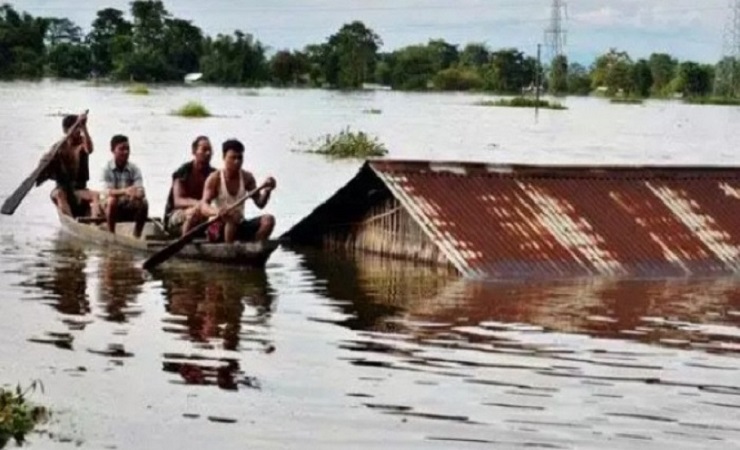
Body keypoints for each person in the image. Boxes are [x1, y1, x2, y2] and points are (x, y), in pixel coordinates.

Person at [199, 139, 276, 243]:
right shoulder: (214, 178)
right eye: (233, 158)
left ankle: (253, 248)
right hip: (216, 228)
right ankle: (229, 248)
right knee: (232, 218)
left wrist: (267, 190)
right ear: (224, 157)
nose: (237, 161)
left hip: (238, 223)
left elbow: (260, 204)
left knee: (268, 220)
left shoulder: (247, 177)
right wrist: (218, 212)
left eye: (240, 158)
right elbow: (203, 207)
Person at [48, 114, 102, 218]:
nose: (78, 131)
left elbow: (89, 149)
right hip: (62, 189)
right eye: (75, 128)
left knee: (95, 195)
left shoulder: (82, 142)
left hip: (79, 189)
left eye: (79, 128)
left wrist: (84, 127)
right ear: (66, 130)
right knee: (59, 194)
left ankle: (95, 222)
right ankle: (70, 220)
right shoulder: (59, 147)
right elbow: (49, 172)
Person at [163, 136, 216, 236]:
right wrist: (199, 204)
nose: (208, 153)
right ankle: (184, 244)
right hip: (177, 215)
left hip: (204, 214)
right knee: (193, 214)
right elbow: (178, 201)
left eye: (210, 150)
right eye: (204, 150)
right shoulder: (183, 172)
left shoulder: (214, 174)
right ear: (194, 151)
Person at [100, 134, 149, 237]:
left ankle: (137, 235)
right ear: (113, 150)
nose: (126, 152)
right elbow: (107, 191)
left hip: (127, 203)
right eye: (121, 149)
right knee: (112, 200)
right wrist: (125, 191)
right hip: (109, 206)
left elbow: (140, 189)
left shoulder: (134, 168)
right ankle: (111, 234)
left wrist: (138, 194)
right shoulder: (106, 168)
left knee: (144, 203)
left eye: (127, 149)